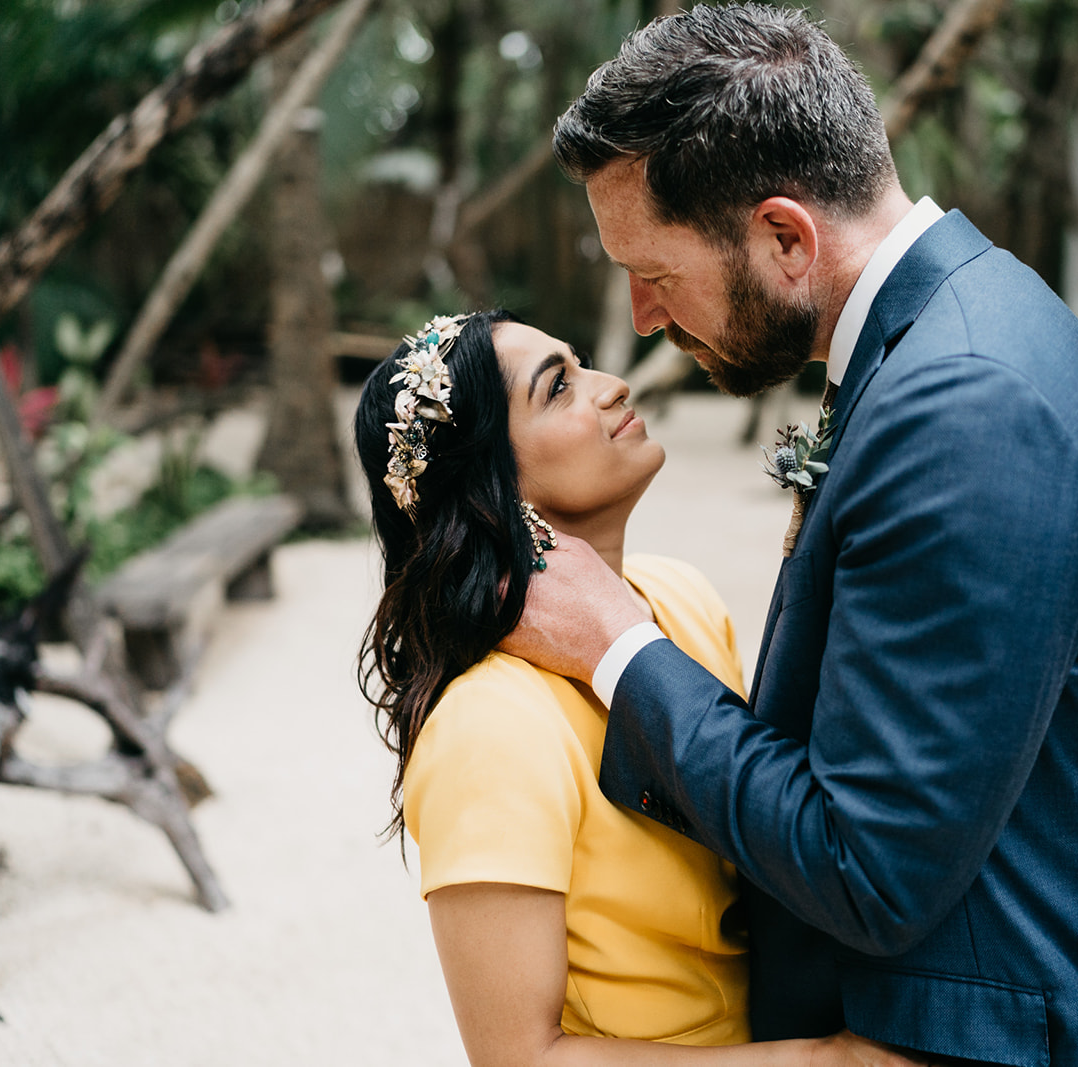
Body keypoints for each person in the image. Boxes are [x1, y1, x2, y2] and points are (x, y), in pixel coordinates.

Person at [500, 5, 1078, 1066]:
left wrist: (617, 645)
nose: (643, 317)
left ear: (785, 235)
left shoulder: (965, 403)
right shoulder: (952, 330)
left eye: (653, 270)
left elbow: (869, 866)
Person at [354, 311, 921, 1065]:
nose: (613, 386)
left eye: (581, 362)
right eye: (558, 387)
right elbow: (520, 1056)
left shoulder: (679, 599)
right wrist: (825, 1061)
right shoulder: (488, 726)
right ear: (491, 483)